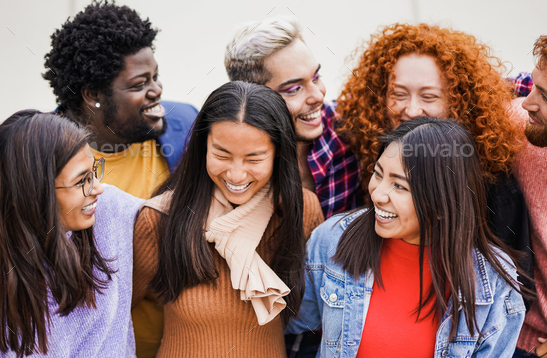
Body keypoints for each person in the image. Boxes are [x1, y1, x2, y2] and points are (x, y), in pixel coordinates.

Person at [286, 117, 526, 358]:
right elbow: (285, 321)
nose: (378, 194)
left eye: (399, 186)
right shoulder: (334, 238)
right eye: (378, 174)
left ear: (443, 205)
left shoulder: (494, 285)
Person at [42, 3, 198, 355]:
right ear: (93, 94)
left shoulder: (186, 125)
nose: (156, 90)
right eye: (140, 84)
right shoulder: (39, 157)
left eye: (155, 76)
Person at [336, 23, 533, 294]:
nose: (412, 110)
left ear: (459, 101)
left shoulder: (492, 185)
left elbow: (514, 286)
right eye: (398, 94)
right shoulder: (370, 155)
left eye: (429, 97)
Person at [132, 81, 324, 357]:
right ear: (203, 148)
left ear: (279, 153)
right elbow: (111, 316)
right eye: (222, 154)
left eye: (254, 159)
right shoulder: (160, 219)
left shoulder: (301, 211)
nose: (236, 175)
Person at [0, 110, 144, 357]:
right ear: (32, 193)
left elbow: (170, 212)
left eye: (94, 171)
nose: (97, 188)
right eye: (82, 181)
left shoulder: (107, 208)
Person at [225, 16, 362, 219]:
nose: (317, 96)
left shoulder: (350, 124)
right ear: (254, 99)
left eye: (316, 77)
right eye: (294, 89)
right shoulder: (227, 161)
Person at [510, 21, 547, 358]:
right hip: (517, 341)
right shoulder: (518, 132)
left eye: (546, 97)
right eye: (533, 86)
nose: (526, 104)